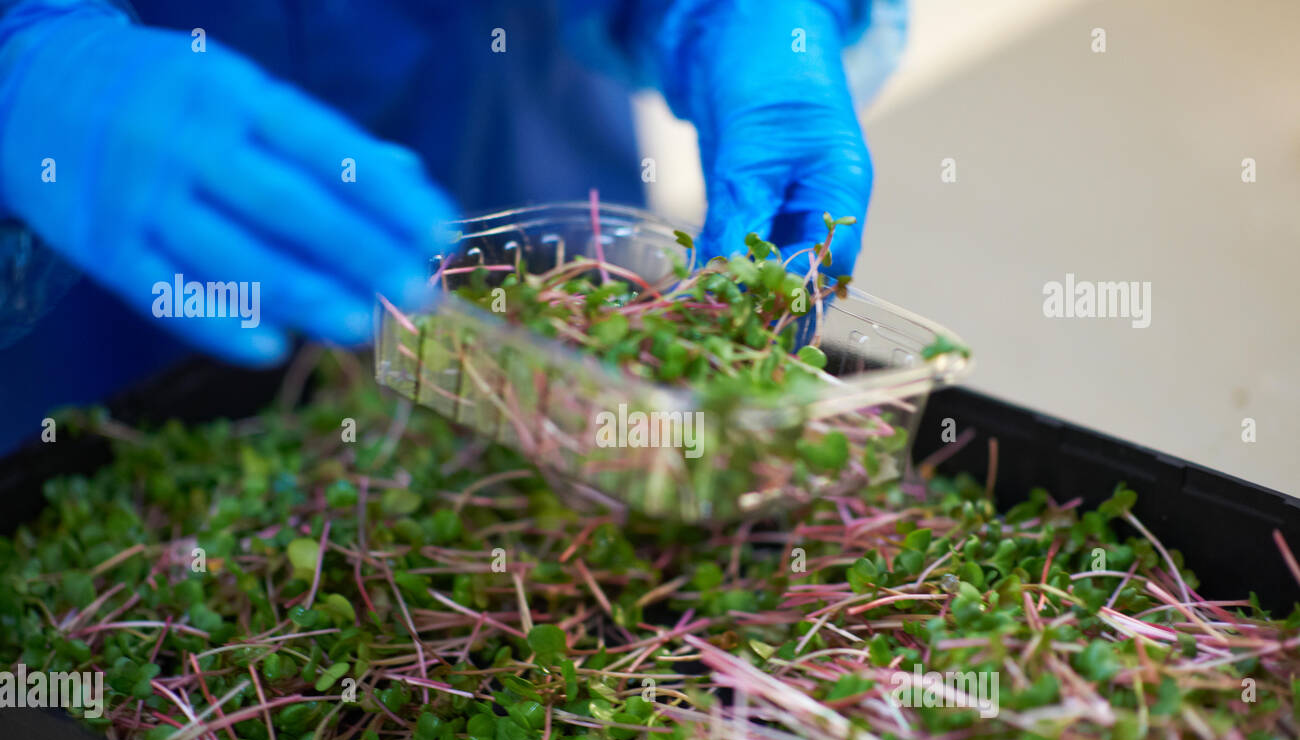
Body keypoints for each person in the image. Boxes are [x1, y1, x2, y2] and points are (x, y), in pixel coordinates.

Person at [0, 0, 906, 454]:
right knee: (111, 476)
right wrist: (24, 67)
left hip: (495, 118)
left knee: (558, 404)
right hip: (89, 262)